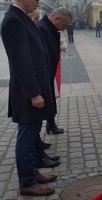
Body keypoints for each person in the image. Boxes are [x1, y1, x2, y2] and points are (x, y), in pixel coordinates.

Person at [0, 0, 57, 196]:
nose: (37, 4)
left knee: (33, 136)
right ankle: (27, 181)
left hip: (33, 89)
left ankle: (33, 173)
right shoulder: (14, 20)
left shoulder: (20, 18)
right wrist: (34, 93)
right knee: (26, 136)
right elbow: (21, 61)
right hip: (27, 93)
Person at [37, 8, 72, 136]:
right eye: (63, 25)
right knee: (43, 105)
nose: (63, 29)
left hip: (49, 73)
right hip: (43, 75)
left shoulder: (49, 28)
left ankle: (50, 125)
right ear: (56, 19)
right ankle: (37, 143)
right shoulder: (42, 29)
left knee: (50, 100)